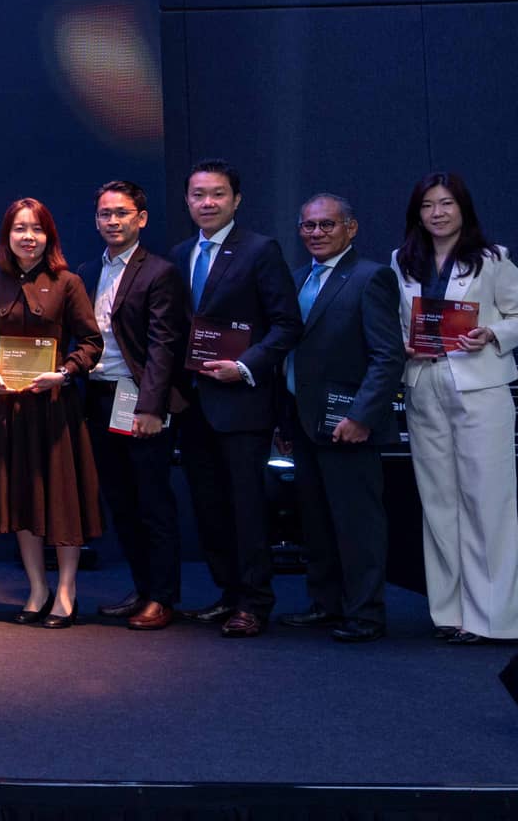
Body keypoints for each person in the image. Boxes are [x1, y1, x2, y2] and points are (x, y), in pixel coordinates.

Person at [391, 171, 518, 643]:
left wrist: (492, 332)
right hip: (423, 385)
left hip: (480, 388)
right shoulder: (402, 261)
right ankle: (450, 613)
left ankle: (492, 618)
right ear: (417, 214)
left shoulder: (493, 260)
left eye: (446, 203)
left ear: (463, 208)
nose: (437, 213)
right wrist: (401, 345)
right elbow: (397, 322)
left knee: (487, 501)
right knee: (438, 502)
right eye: (428, 205)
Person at [169, 158, 302, 638]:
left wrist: (246, 366)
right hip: (193, 404)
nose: (207, 202)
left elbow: (287, 324)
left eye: (218, 194)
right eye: (198, 194)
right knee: (209, 508)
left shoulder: (260, 250)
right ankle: (227, 594)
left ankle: (254, 602)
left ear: (236, 199)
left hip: (242, 403)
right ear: (187, 201)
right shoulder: (180, 253)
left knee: (247, 508)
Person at [279, 192, 404, 643]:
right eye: (308, 225)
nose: (316, 233)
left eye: (327, 224)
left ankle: (365, 614)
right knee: (315, 522)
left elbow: (388, 357)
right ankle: (326, 604)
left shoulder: (371, 277)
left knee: (357, 525)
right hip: (304, 422)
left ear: (351, 228)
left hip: (349, 425)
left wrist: (361, 416)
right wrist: (285, 422)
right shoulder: (296, 279)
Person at [0, 198, 103, 628]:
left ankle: (66, 591)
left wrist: (65, 373)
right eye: (19, 229)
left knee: (62, 500)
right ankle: (36, 588)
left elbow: (91, 342)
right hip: (10, 409)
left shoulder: (68, 282)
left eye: (36, 229)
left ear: (49, 236)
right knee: (23, 500)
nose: (28, 237)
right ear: (7, 236)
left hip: (55, 410)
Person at [85, 181, 190, 632]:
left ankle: (162, 598)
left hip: (140, 397)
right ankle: (142, 589)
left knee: (153, 501)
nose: (113, 221)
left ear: (141, 219)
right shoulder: (89, 270)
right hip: (98, 396)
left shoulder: (160, 272)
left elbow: (165, 345)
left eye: (122, 213)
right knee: (121, 502)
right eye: (105, 214)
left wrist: (151, 407)